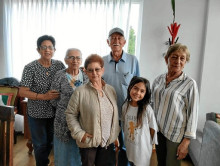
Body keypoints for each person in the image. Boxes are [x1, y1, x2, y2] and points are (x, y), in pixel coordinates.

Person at [65, 54, 120, 166]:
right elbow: (70, 114)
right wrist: (80, 134)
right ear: (85, 72)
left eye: (97, 69)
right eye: (90, 70)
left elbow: (113, 116)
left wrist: (115, 135)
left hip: (108, 142)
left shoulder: (111, 90)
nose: (94, 73)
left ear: (103, 70)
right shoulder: (80, 92)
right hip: (89, 143)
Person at [19, 35, 65, 166]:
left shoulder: (59, 65)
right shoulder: (30, 67)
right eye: (43, 47)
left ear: (54, 50)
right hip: (37, 113)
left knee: (51, 142)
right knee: (40, 144)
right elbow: (22, 91)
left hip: (55, 112)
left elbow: (68, 79)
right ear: (38, 50)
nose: (47, 50)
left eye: (50, 47)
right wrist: (44, 96)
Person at [151, 43, 199, 166]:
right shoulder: (158, 80)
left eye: (182, 58)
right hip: (158, 131)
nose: (178, 61)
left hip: (175, 135)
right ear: (167, 59)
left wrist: (186, 142)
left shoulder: (190, 84)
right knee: (160, 162)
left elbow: (193, 113)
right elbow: (151, 104)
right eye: (174, 57)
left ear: (186, 61)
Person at [102, 27, 140, 166]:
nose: (116, 41)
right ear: (108, 42)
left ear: (124, 42)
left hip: (127, 111)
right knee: (109, 145)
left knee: (126, 146)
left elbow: (139, 85)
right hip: (107, 112)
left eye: (119, 38)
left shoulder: (133, 60)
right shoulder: (102, 61)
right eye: (113, 38)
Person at [50, 48, 88, 166]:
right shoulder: (59, 75)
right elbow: (53, 99)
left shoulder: (86, 76)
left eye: (78, 58)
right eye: (71, 57)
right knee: (63, 154)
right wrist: (65, 109)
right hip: (63, 121)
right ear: (65, 60)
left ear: (81, 60)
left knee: (79, 154)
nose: (74, 60)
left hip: (83, 121)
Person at [122, 76, 158, 166]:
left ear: (146, 93)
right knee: (131, 161)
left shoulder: (147, 109)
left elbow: (153, 129)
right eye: (135, 88)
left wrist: (151, 145)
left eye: (142, 91)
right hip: (130, 145)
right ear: (130, 87)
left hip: (143, 148)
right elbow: (124, 124)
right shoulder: (125, 106)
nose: (138, 93)